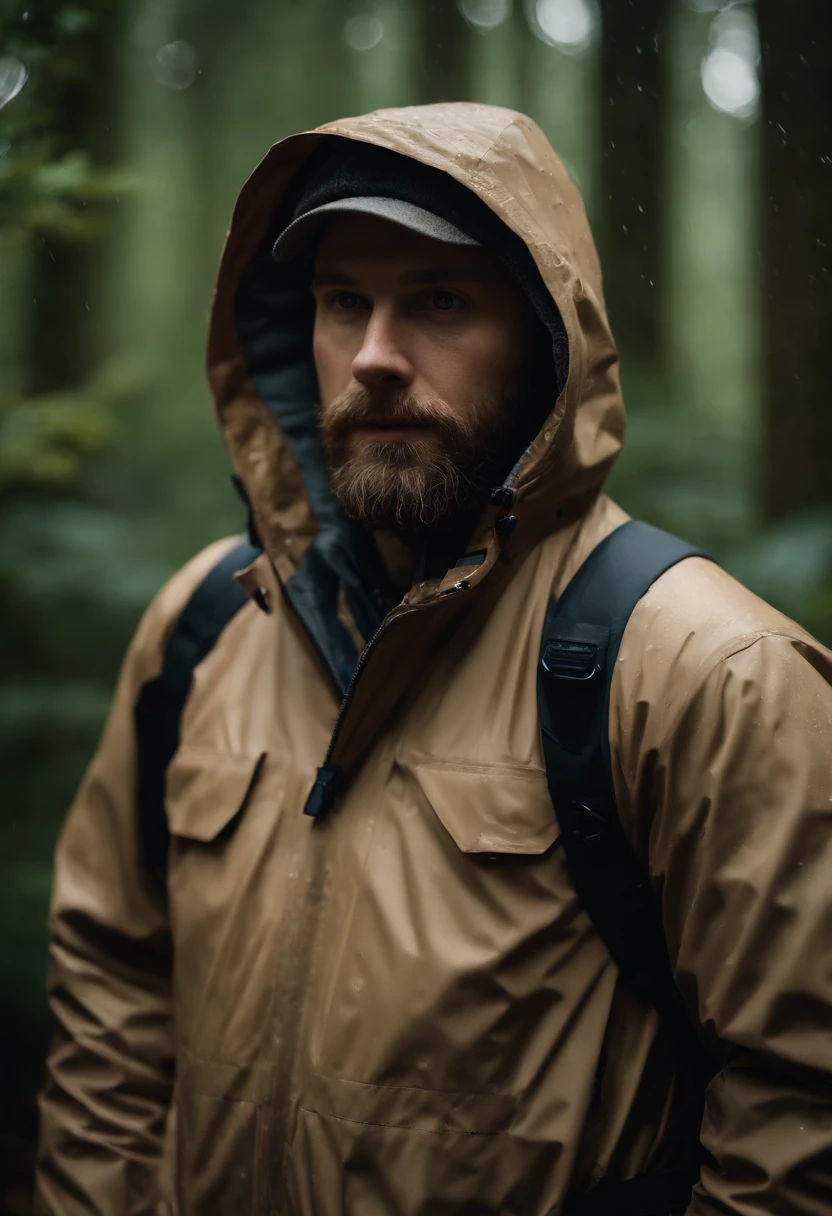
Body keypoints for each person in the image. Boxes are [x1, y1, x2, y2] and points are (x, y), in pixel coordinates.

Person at [35, 104, 832, 1216]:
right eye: (342, 302)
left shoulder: (706, 669)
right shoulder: (207, 624)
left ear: (546, 344)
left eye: (439, 302)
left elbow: (799, 1113)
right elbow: (112, 984)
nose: (372, 357)